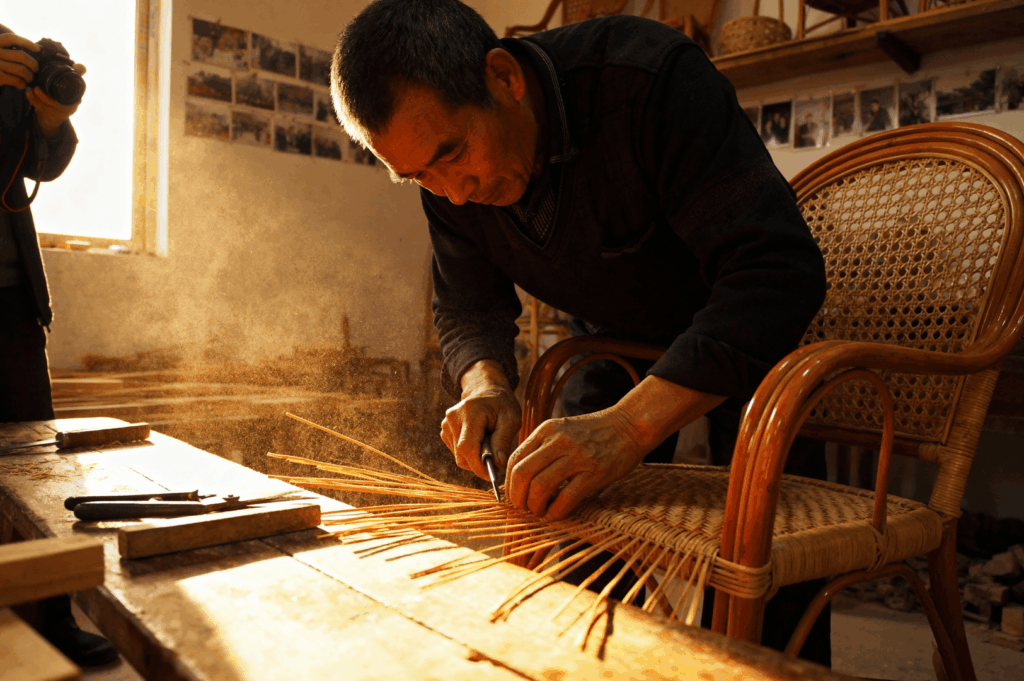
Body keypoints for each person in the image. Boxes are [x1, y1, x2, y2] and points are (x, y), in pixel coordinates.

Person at [332, 0, 830, 666]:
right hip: (612, 343)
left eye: (452, 155)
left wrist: (628, 428)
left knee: (765, 588)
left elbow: (777, 272)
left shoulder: (647, 79)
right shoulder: (445, 179)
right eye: (421, 175)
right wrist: (486, 382)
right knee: (569, 538)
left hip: (752, 338)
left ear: (504, 78)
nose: (453, 192)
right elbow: (470, 310)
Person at [0, 26, 118, 668]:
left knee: (38, 472)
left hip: (13, 303)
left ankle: (51, 619)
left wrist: (49, 117)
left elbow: (37, 164)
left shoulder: (9, 58)